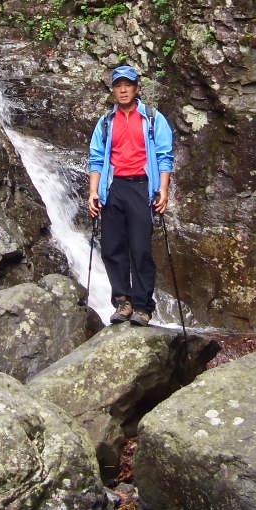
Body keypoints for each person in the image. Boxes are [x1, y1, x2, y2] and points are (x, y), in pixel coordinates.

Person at [87, 64, 174, 326]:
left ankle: (143, 307)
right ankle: (123, 303)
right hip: (114, 188)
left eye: (127, 85)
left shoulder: (153, 119)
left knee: (140, 249)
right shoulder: (105, 123)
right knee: (112, 248)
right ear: (113, 90)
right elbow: (96, 158)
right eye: (118, 85)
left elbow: (164, 156)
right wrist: (93, 191)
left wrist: (164, 189)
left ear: (136, 88)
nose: (123, 90)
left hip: (141, 186)